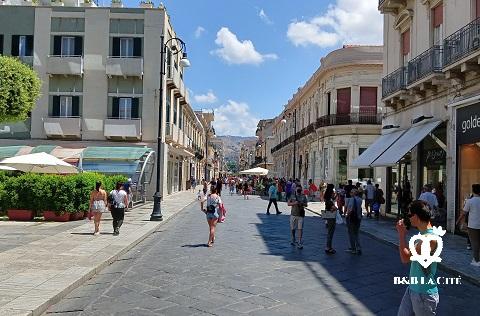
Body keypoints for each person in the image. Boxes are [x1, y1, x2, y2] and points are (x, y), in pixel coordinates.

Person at [396, 200, 440, 315]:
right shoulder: (423, 235)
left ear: (416, 216)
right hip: (413, 288)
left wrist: (401, 234)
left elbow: (405, 258)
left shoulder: (430, 238)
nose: (408, 218)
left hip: (424, 293)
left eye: (410, 215)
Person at [457, 184, 480, 266]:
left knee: (474, 243)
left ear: (473, 191)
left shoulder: (470, 201)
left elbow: (464, 213)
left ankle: (476, 260)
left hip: (473, 225)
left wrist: (458, 221)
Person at [346, 189, 363, 255]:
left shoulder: (352, 199)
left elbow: (350, 209)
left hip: (352, 218)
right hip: (358, 218)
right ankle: (358, 248)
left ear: (353, 193)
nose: (350, 193)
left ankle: (353, 248)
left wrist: (347, 216)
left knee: (351, 234)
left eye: (351, 192)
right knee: (356, 233)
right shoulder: (360, 199)